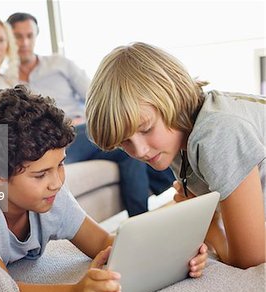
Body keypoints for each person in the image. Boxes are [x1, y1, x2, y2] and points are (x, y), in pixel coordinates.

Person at [0, 85, 208, 292]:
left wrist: (173, 256)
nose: (56, 182)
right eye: (40, 174)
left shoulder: (49, 193)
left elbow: (102, 244)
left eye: (60, 165)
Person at [85, 42, 266, 269]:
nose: (140, 151)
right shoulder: (177, 140)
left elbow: (250, 260)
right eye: (125, 142)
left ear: (172, 99)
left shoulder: (217, 132)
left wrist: (212, 231)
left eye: (146, 129)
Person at [6, 12, 175, 216]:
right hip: (47, 143)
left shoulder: (59, 64)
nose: (24, 42)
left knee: (127, 147)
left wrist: (88, 119)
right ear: (9, 39)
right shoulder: (5, 79)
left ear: (36, 37)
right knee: (127, 150)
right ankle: (157, 199)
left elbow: (97, 98)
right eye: (17, 36)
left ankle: (142, 219)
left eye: (29, 35)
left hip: (81, 130)